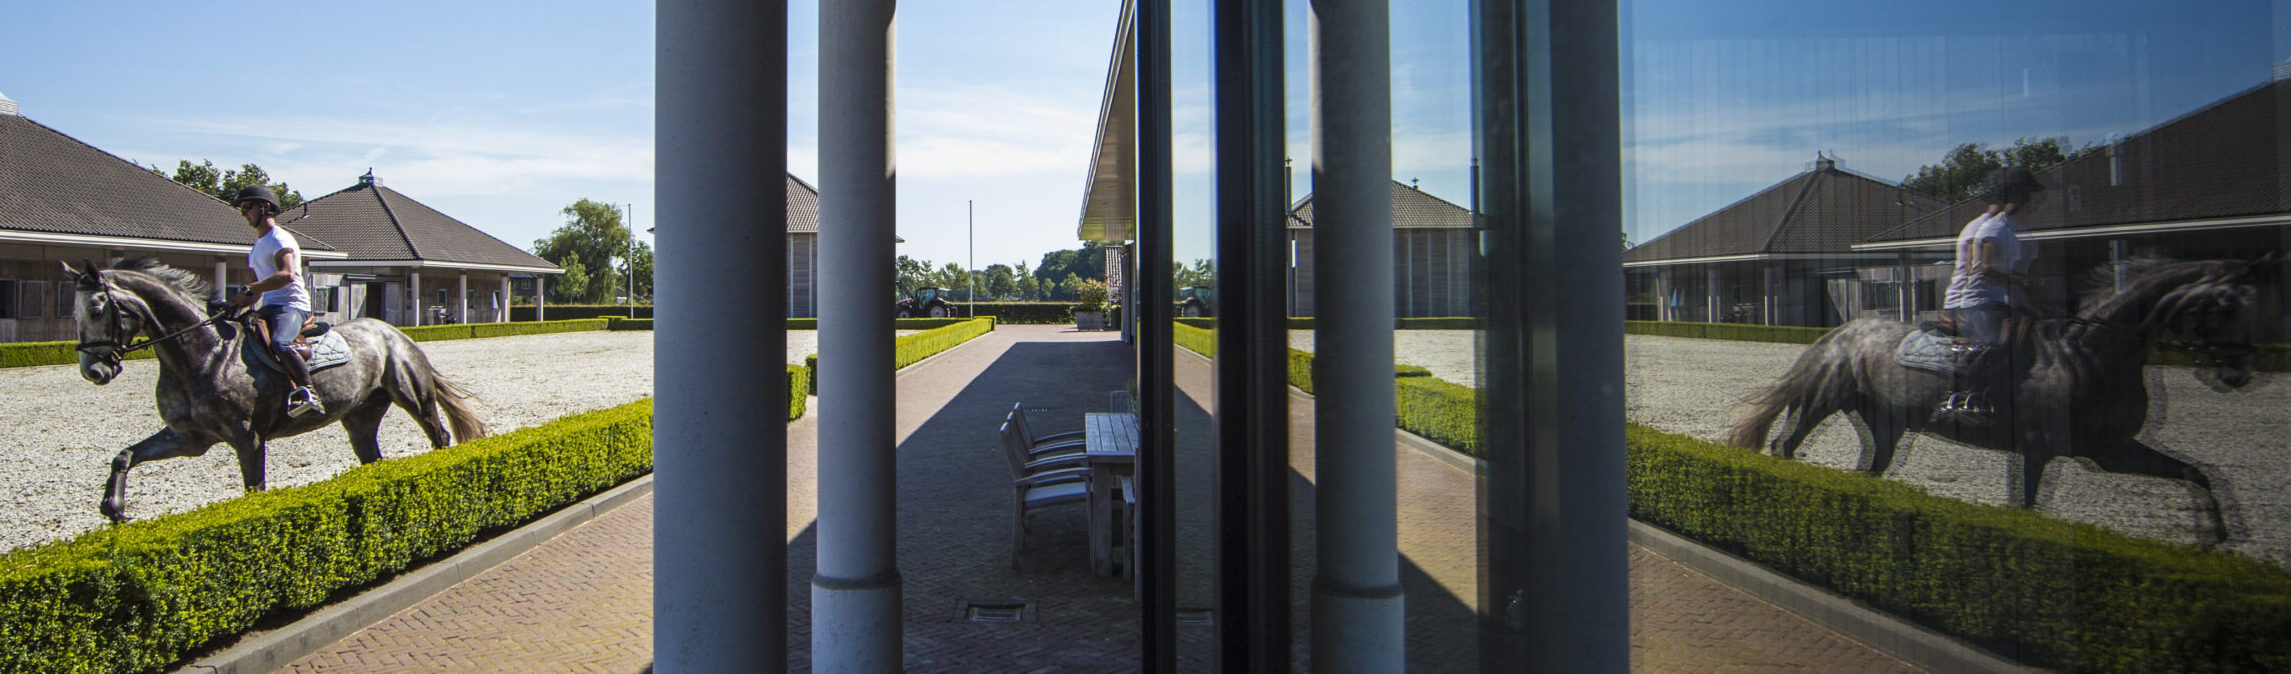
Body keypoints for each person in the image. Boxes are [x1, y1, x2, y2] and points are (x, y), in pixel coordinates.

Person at [1934, 166, 2043, 424]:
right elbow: (1982, 269)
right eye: (2027, 195)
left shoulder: (2017, 229)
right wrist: (2023, 282)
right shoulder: (1985, 228)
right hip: (1975, 299)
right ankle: (1966, 394)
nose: (2032, 202)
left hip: (2004, 298)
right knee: (1997, 342)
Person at [227, 185, 325, 418]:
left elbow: (286, 274)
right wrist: (235, 304)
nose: (244, 213)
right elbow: (256, 292)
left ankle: (309, 393)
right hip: (268, 307)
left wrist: (251, 289)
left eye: (247, 207)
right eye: (241, 209)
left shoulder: (279, 238)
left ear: (265, 207)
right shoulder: (256, 247)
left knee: (280, 343)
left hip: (292, 305)